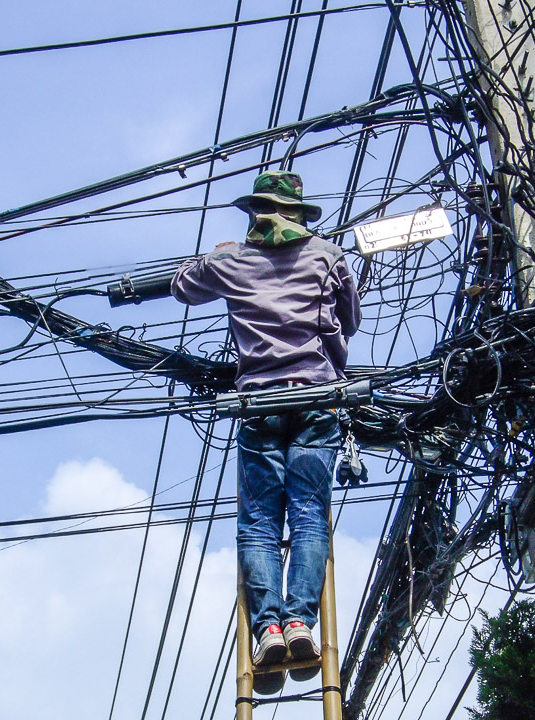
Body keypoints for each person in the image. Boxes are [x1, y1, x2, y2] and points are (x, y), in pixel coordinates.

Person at [170, 171, 362, 692]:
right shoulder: (328, 255)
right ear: (299, 212)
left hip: (259, 403)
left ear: (257, 211)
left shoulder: (231, 261)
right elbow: (352, 319)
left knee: (258, 524)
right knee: (307, 518)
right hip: (318, 397)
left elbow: (181, 288)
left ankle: (269, 630)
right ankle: (301, 622)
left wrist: (218, 254)